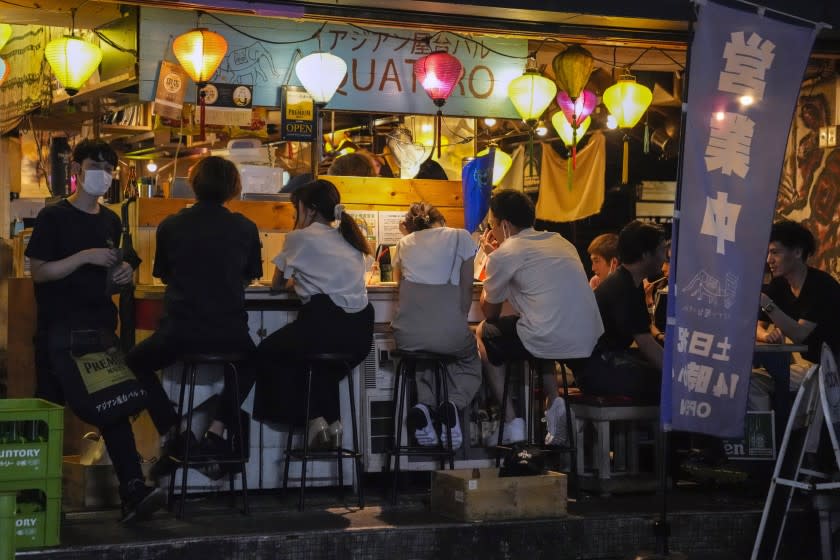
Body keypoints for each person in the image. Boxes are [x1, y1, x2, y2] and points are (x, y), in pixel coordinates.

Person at [25, 138, 172, 523]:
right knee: (49, 412)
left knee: (113, 408)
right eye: (96, 165)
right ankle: (34, 498)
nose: (103, 174)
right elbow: (40, 272)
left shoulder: (111, 220)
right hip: (60, 332)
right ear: (76, 169)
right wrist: (84, 257)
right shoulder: (54, 217)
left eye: (109, 168)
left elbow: (111, 278)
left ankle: (132, 491)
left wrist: (123, 274)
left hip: (100, 331)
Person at [125, 156, 263, 480]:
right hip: (229, 333)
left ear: (194, 185)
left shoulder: (171, 225)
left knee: (134, 362)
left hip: (180, 333)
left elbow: (163, 276)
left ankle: (175, 433)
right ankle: (216, 432)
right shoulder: (245, 227)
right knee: (253, 361)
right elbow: (250, 277)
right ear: (234, 188)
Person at [476, 190, 603, 446]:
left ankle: (512, 422)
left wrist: (492, 259)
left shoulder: (504, 254)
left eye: (492, 226)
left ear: (505, 225)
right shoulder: (561, 241)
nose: (492, 232)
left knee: (482, 332)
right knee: (537, 328)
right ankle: (556, 408)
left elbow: (490, 313)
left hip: (547, 336)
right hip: (587, 336)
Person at [253, 179, 374, 441]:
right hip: (359, 336)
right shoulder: (351, 239)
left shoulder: (299, 237)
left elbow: (276, 285)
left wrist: (298, 229)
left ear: (310, 209)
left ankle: (312, 419)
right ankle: (331, 422)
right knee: (321, 370)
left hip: (323, 327)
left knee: (267, 353)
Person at [391, 202, 481, 450]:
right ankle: (453, 404)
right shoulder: (461, 237)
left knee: (425, 356)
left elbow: (400, 289)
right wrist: (455, 323)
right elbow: (466, 291)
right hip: (447, 330)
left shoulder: (403, 244)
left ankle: (425, 406)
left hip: (407, 335)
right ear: (441, 221)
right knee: (469, 359)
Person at [576, 220, 668, 403]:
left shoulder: (628, 281)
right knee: (667, 385)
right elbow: (646, 343)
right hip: (598, 370)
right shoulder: (623, 287)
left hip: (603, 364)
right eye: (661, 250)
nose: (664, 257)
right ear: (645, 255)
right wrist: (680, 375)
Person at [754, 220, 840, 388]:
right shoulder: (779, 284)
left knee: (770, 381)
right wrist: (766, 336)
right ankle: (770, 416)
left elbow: (800, 334)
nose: (769, 260)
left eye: (775, 252)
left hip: (832, 371)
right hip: (813, 367)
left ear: (797, 252)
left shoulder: (821, 285)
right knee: (753, 380)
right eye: (768, 253)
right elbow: (757, 325)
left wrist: (767, 303)